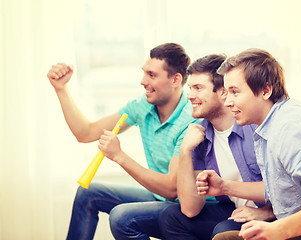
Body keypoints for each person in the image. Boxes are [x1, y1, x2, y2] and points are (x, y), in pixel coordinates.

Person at [47, 43, 199, 240]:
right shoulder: (143, 106)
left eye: (152, 75)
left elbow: (172, 189)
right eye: (144, 73)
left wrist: (119, 156)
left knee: (121, 217)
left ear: (175, 79)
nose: (143, 81)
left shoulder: (190, 118)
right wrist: (61, 89)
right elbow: (86, 133)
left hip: (187, 207)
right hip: (159, 198)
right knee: (87, 193)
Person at [197, 48, 301, 240]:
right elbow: (283, 188)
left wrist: (278, 230)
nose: (228, 101)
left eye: (235, 92)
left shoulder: (292, 127)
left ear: (266, 90)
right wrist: (224, 187)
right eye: (226, 92)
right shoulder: (269, 125)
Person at [159, 54, 275, 240]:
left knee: (222, 231)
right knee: (171, 218)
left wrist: (267, 212)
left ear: (223, 92)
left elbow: (287, 189)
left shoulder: (254, 124)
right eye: (190, 88)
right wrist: (185, 151)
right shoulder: (200, 134)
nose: (189, 96)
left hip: (276, 213)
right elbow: (190, 208)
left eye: (198, 88)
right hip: (239, 211)